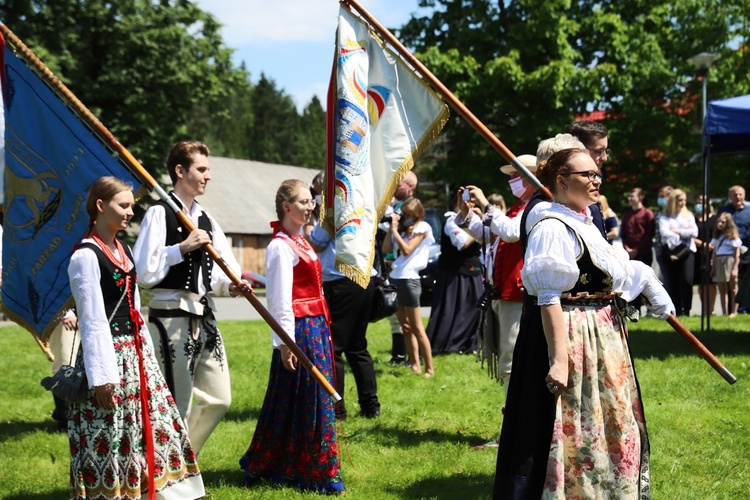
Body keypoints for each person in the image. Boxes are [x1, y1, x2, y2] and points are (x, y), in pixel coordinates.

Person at [494, 149, 674, 499]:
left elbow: (607, 274)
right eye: (587, 174)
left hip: (603, 337)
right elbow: (548, 297)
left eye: (597, 173)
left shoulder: (584, 221)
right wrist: (559, 359)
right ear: (561, 180)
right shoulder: (550, 226)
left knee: (611, 421)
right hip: (575, 334)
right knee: (574, 425)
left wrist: (647, 279)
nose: (597, 180)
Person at [68, 176, 204, 499]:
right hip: (107, 355)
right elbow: (92, 320)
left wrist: (145, 350)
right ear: (101, 206)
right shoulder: (85, 256)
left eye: (132, 206)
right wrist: (102, 377)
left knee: (144, 424)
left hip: (136, 352)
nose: (131, 212)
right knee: (108, 429)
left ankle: (153, 490)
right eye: (124, 205)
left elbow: (134, 304)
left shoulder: (123, 249)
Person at [133, 140, 248, 454]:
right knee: (175, 403)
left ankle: (183, 463)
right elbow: (143, 272)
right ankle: (169, 479)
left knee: (219, 399)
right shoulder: (160, 213)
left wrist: (232, 286)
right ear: (180, 171)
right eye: (202, 169)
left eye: (208, 169)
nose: (208, 175)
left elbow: (222, 272)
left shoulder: (207, 219)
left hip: (204, 315)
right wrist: (182, 248)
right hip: (170, 316)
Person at [239, 179, 343, 493]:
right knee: (309, 397)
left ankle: (291, 463)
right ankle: (314, 470)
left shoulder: (302, 240)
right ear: (286, 207)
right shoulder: (280, 246)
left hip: (315, 327)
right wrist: (284, 343)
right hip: (299, 330)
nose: (310, 206)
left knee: (301, 398)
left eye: (310, 201)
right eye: (303, 202)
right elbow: (280, 300)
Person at [309, 201, 381, 421]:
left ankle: (336, 409)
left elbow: (316, 244)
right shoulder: (365, 206)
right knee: (357, 347)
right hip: (365, 280)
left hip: (341, 282)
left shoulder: (333, 211)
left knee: (334, 348)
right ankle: (371, 406)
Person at [383, 197, 435, 377]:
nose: (406, 217)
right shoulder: (404, 230)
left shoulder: (423, 228)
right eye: (404, 214)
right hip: (396, 277)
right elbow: (385, 248)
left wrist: (396, 230)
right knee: (404, 326)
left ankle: (429, 368)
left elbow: (407, 250)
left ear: (418, 214)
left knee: (417, 327)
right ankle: (414, 365)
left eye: (409, 215)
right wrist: (392, 229)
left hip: (410, 279)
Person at [425, 192, 483, 354]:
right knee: (450, 310)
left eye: (473, 204)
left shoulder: (473, 219)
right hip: (454, 272)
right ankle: (446, 344)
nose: (471, 207)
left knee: (475, 309)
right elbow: (462, 243)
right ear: (457, 205)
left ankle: (470, 344)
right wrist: (478, 226)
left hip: (472, 269)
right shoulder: (452, 220)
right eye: (467, 204)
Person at [380, 171, 418, 365]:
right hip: (391, 266)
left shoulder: (413, 208)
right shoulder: (395, 204)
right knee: (395, 316)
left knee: (412, 322)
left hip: (406, 270)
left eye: (399, 183)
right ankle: (399, 355)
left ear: (410, 186)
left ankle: (412, 358)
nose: (395, 187)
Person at [658, 189, 698, 316]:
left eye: (684, 200)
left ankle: (687, 310)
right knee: (673, 281)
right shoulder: (665, 216)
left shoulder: (689, 215)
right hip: (670, 252)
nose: (682, 203)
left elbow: (694, 233)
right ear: (673, 201)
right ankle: (677, 309)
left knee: (687, 281)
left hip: (687, 252)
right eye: (680, 200)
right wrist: (684, 232)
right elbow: (664, 233)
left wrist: (677, 231)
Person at [48, 309, 79, 431]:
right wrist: (66, 312)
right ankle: (65, 419)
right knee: (66, 363)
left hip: (88, 311)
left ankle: (75, 416)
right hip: (64, 314)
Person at [711, 213, 742, 317]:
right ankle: (724, 312)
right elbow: (714, 253)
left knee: (733, 288)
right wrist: (713, 266)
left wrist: (735, 268)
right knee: (722, 289)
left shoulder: (733, 237)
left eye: (723, 222)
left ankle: (734, 311)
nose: (720, 224)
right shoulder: (717, 237)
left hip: (729, 260)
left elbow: (737, 254)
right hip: (719, 261)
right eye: (718, 222)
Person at [693, 194, 717, 316]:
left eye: (702, 202)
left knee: (711, 283)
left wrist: (711, 245)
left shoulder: (715, 218)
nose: (700, 204)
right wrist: (702, 244)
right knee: (701, 282)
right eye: (698, 201)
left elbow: (718, 235)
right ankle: (704, 309)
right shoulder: (693, 220)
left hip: (712, 254)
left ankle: (711, 308)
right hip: (697, 254)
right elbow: (691, 236)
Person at [621, 188, 655, 266]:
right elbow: (623, 235)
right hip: (629, 254)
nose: (630, 199)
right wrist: (627, 248)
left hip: (644, 253)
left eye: (632, 196)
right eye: (629, 196)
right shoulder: (626, 215)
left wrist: (636, 249)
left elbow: (649, 234)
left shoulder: (648, 214)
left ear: (640, 197)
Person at [654, 185, 674, 293]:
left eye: (664, 196)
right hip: (660, 250)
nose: (661, 199)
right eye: (660, 196)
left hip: (673, 250)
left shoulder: (674, 213)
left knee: (673, 277)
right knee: (664, 277)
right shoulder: (657, 213)